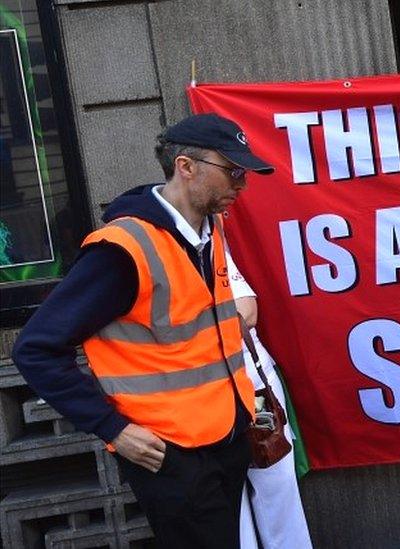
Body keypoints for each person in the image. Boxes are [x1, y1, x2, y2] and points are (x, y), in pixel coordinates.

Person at [12, 113, 275, 545]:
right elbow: (35, 349)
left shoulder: (210, 229)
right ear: (185, 167)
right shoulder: (122, 249)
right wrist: (112, 429)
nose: (241, 184)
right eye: (232, 170)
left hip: (225, 438)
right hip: (169, 452)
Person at [225, 252, 313, 548]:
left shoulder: (208, 245)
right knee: (228, 505)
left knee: (277, 489)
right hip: (195, 397)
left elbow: (247, 312)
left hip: (253, 387)